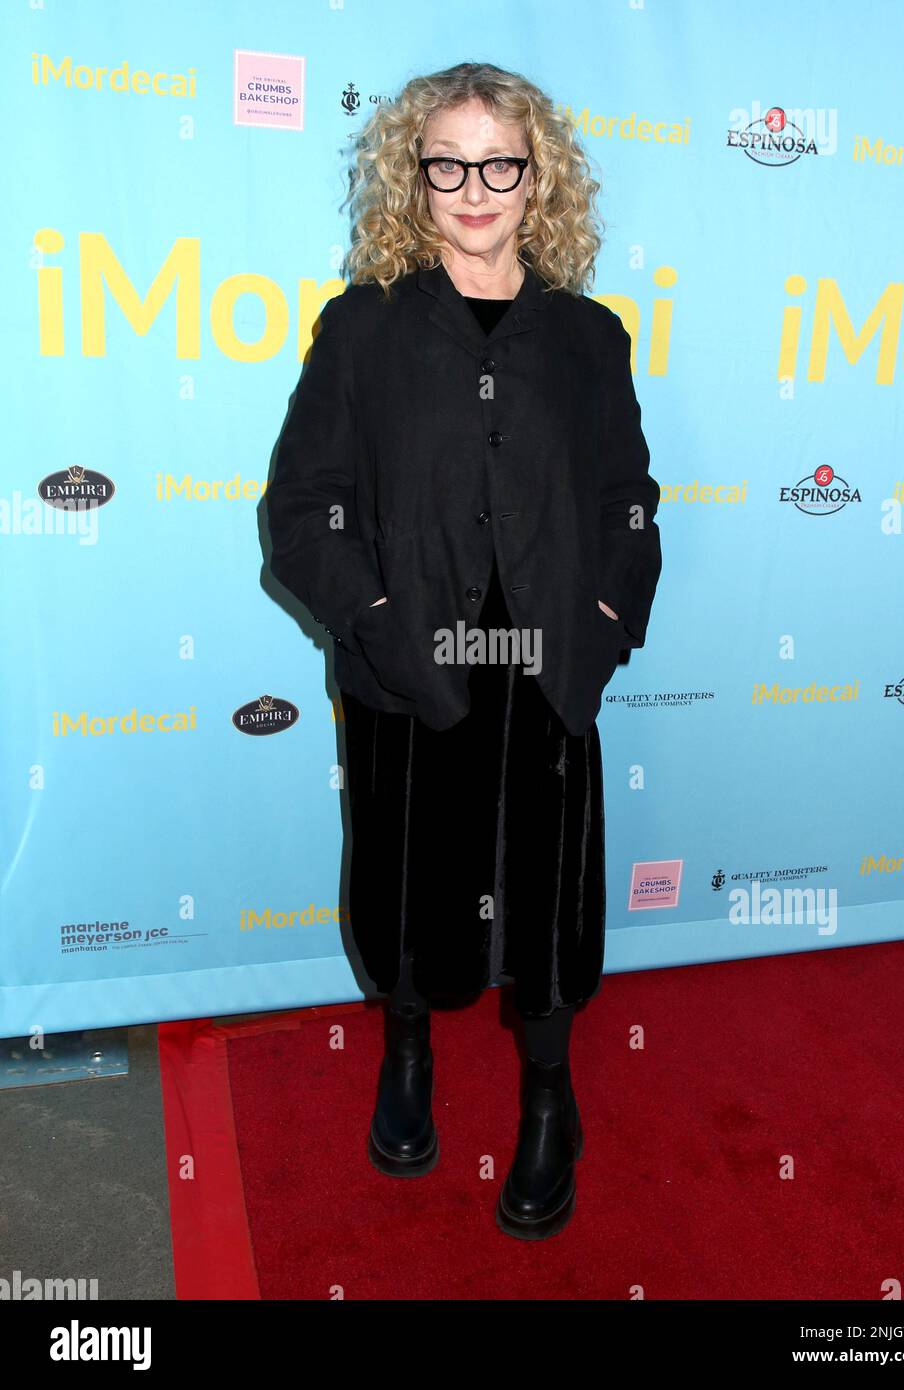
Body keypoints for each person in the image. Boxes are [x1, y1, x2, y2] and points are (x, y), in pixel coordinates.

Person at [265, 61, 662, 1241]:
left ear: (537, 179)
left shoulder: (589, 337)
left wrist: (602, 629)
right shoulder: (363, 328)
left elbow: (628, 502)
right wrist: (381, 631)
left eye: (500, 164)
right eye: (448, 164)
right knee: (407, 889)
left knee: (543, 906)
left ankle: (550, 1098)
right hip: (407, 665)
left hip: (547, 667)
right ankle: (405, 1051)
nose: (474, 188)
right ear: (415, 175)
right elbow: (302, 509)